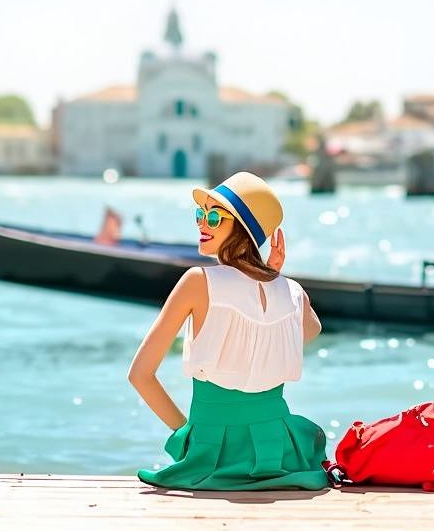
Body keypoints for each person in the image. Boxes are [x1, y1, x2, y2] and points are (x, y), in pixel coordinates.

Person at [130, 171, 330, 491]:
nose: (202, 223)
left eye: (213, 216)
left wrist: (188, 438)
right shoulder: (293, 293)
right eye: (200, 214)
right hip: (279, 453)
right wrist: (273, 278)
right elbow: (307, 331)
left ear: (243, 230)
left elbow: (139, 375)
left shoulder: (197, 282)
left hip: (214, 453)